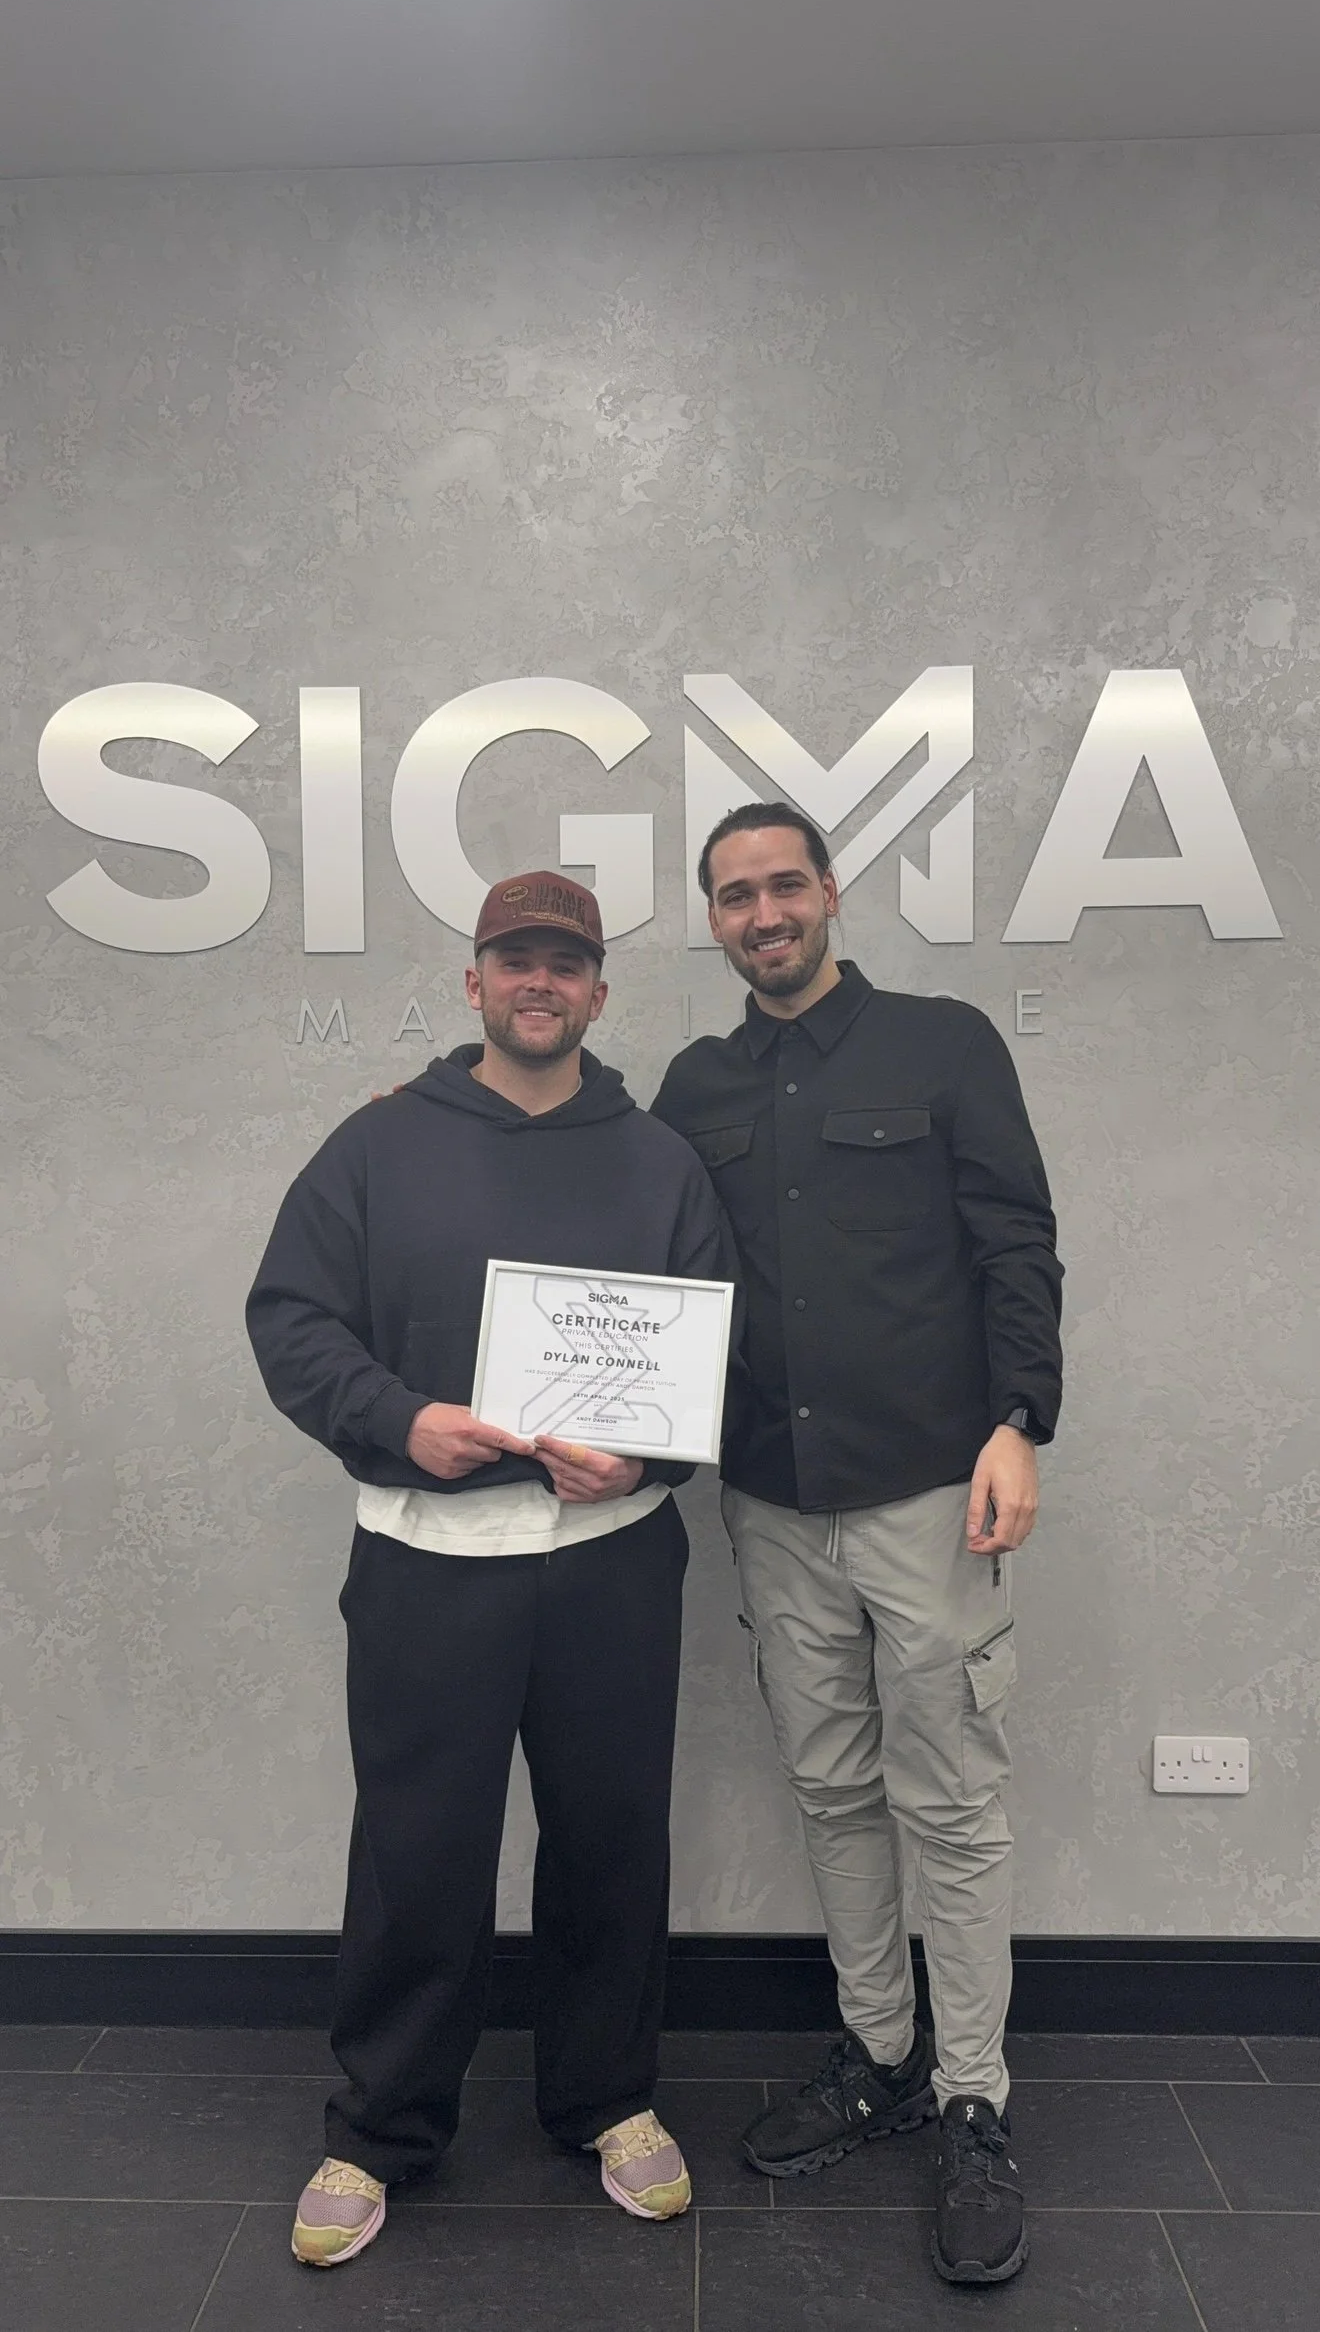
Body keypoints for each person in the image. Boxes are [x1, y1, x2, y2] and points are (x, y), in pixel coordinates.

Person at [247, 871, 737, 2267]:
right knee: (418, 1853)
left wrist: (646, 1463)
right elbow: (292, 1319)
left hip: (610, 1565)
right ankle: (382, 2124)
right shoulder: (376, 1144)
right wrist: (400, 1419)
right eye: (515, 960)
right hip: (426, 1560)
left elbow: (710, 1353)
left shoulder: (659, 1162)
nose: (541, 982)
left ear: (598, 990)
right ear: (473, 982)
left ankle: (608, 2098)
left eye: (567, 964)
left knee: (610, 1838)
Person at [652, 803, 1063, 2288]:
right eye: (733, 895)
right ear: (713, 918)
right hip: (770, 1497)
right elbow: (625, 1239)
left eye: (782, 884)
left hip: (927, 1495)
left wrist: (1021, 1416)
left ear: (828, 891)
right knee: (832, 1788)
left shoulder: (944, 1045)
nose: (762, 912)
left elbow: (1017, 1238)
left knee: (948, 1796)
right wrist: (434, 1105)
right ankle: (880, 2051)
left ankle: (971, 2100)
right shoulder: (693, 1085)